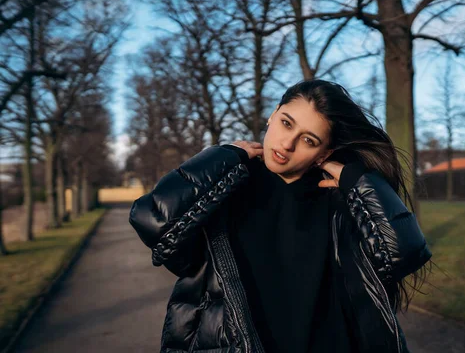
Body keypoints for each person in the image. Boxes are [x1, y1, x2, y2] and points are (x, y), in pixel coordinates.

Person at [129, 79, 432, 353]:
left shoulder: (340, 201)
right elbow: (153, 221)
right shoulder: (224, 190)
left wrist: (361, 183)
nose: (287, 144)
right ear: (273, 114)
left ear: (324, 154)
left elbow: (402, 254)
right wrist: (221, 156)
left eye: (309, 140)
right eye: (286, 123)